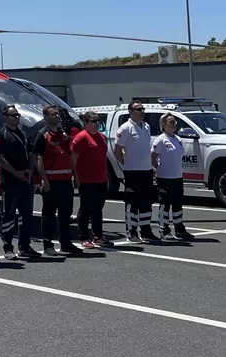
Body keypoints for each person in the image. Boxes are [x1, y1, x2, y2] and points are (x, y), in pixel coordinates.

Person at [32, 105, 80, 255]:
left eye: (58, 114)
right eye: (53, 115)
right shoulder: (42, 135)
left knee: (66, 213)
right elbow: (38, 158)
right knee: (49, 214)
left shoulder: (63, 135)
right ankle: (48, 244)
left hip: (65, 179)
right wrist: (44, 179)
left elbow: (69, 156)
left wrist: (75, 175)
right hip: (51, 180)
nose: (57, 117)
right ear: (46, 117)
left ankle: (66, 242)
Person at [0, 106, 39, 260]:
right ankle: (8, 247)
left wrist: (31, 170)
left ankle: (24, 245)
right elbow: (0, 157)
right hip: (10, 182)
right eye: (12, 115)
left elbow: (31, 154)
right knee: (8, 215)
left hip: (25, 180)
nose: (16, 118)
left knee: (26, 215)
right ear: (5, 117)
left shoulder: (23, 134)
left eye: (17, 115)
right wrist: (15, 172)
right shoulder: (2, 134)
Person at [114, 102, 156, 243]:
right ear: (131, 111)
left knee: (146, 201)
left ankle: (146, 230)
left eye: (143, 109)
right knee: (132, 202)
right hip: (132, 171)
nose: (142, 111)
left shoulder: (146, 126)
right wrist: (126, 163)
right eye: (139, 109)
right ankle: (131, 231)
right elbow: (117, 150)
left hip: (146, 170)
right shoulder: (125, 128)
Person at [72, 111, 112, 248]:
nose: (96, 123)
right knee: (86, 208)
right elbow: (73, 159)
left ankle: (98, 235)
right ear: (86, 123)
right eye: (93, 121)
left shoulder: (102, 137)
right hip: (86, 179)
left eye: (98, 121)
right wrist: (75, 176)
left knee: (97, 208)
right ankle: (84, 236)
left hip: (101, 178)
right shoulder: (81, 138)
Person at [152, 114, 193, 241]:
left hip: (177, 176)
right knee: (165, 204)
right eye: (170, 122)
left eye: (174, 122)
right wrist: (158, 168)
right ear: (163, 125)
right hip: (165, 177)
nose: (174, 124)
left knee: (177, 204)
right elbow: (153, 157)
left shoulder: (178, 139)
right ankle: (164, 229)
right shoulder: (161, 140)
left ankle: (179, 228)